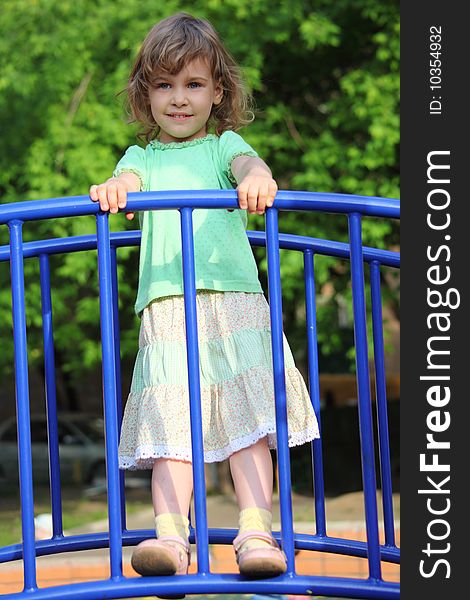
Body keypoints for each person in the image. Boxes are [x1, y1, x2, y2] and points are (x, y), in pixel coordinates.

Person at [90, 12, 319, 583]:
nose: (178, 99)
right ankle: (170, 536)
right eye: (164, 86)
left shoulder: (223, 147)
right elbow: (127, 184)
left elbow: (249, 164)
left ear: (218, 91)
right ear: (146, 95)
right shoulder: (144, 157)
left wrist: (258, 177)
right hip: (167, 306)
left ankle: (256, 531)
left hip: (232, 299)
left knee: (246, 421)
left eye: (193, 84)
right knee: (172, 423)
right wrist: (115, 188)